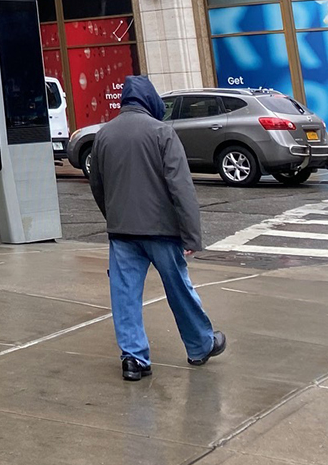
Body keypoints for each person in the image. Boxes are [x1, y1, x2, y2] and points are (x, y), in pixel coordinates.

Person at [88, 75, 227, 381]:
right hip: (162, 230)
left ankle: (133, 359)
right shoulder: (161, 132)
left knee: (125, 295)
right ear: (149, 101)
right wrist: (191, 234)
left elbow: (98, 186)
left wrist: (113, 217)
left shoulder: (104, 135)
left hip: (123, 232)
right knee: (179, 289)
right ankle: (200, 344)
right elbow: (181, 188)